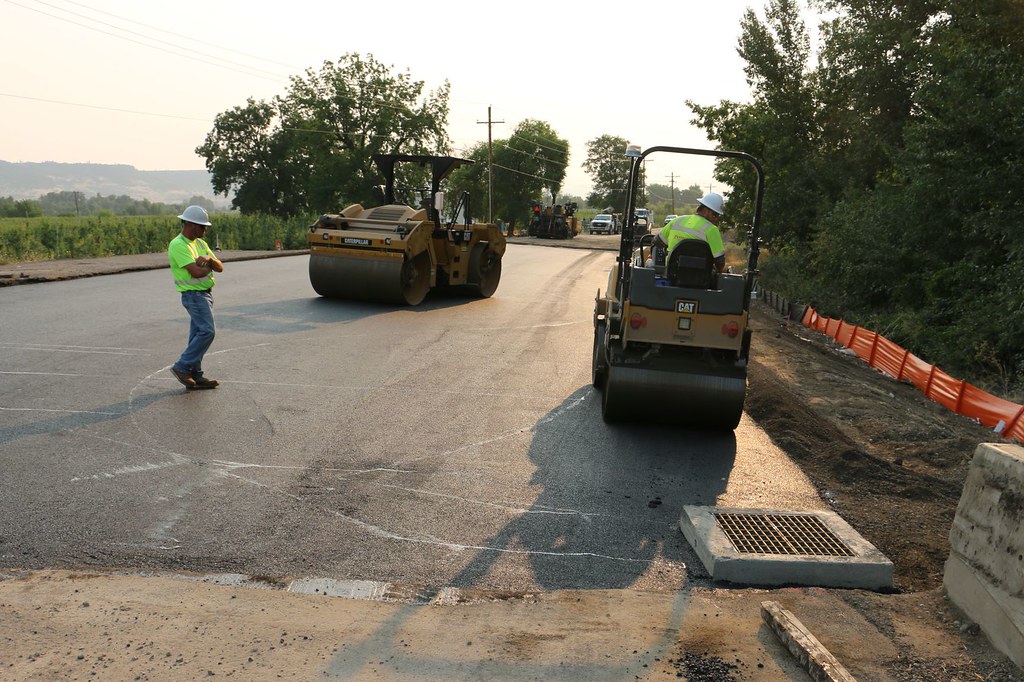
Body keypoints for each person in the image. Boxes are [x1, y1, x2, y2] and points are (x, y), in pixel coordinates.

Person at [168, 205, 224, 390]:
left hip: (205, 294)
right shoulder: (178, 245)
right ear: (191, 224)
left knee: (196, 336)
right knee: (208, 331)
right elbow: (196, 273)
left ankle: (195, 374)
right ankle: (182, 367)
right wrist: (209, 266)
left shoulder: (200, 243)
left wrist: (208, 260)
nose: (205, 230)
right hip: (194, 296)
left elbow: (220, 266)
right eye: (202, 226)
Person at [653, 192, 727, 273]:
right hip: (700, 279)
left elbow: (657, 241)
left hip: (672, 273)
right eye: (715, 215)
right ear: (706, 211)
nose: (716, 219)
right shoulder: (712, 229)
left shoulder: (677, 221)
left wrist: (672, 248)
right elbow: (720, 263)